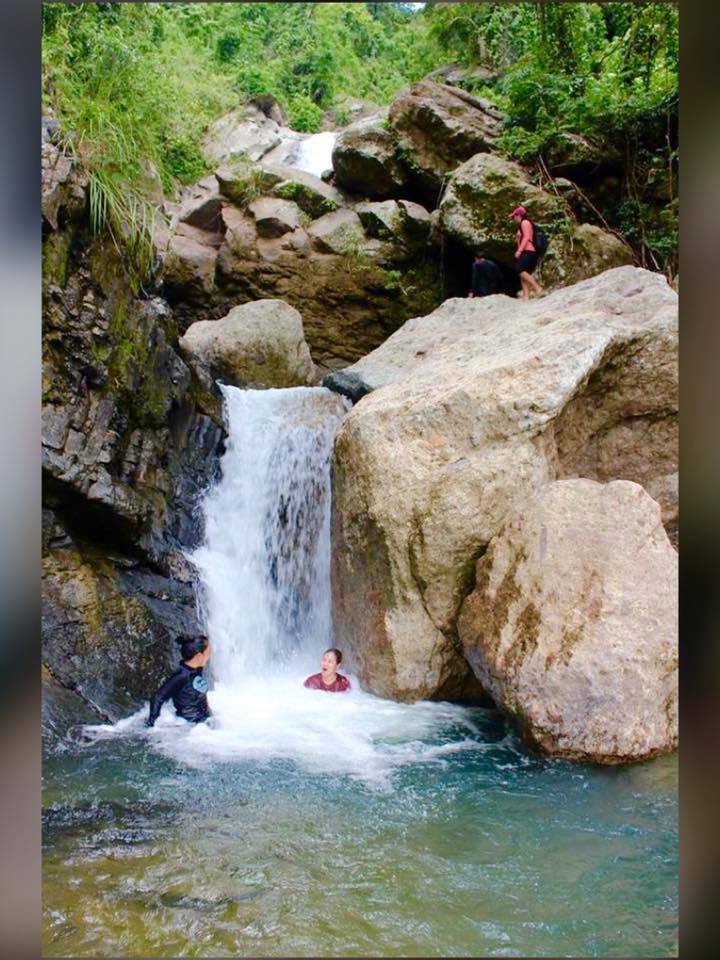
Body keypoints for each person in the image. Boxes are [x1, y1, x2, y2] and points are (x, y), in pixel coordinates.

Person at [146, 635, 212, 727]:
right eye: (208, 653)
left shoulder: (196, 669)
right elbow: (157, 697)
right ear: (199, 656)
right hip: (189, 725)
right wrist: (151, 724)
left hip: (202, 721)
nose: (210, 655)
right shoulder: (181, 676)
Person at [509, 205, 544, 300]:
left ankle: (538, 288)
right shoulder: (522, 225)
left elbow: (527, 237)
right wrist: (517, 239)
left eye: (514, 217)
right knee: (524, 273)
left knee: (519, 269)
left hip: (529, 250)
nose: (513, 219)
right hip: (526, 250)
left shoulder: (525, 222)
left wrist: (519, 250)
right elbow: (521, 239)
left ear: (518, 216)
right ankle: (526, 295)